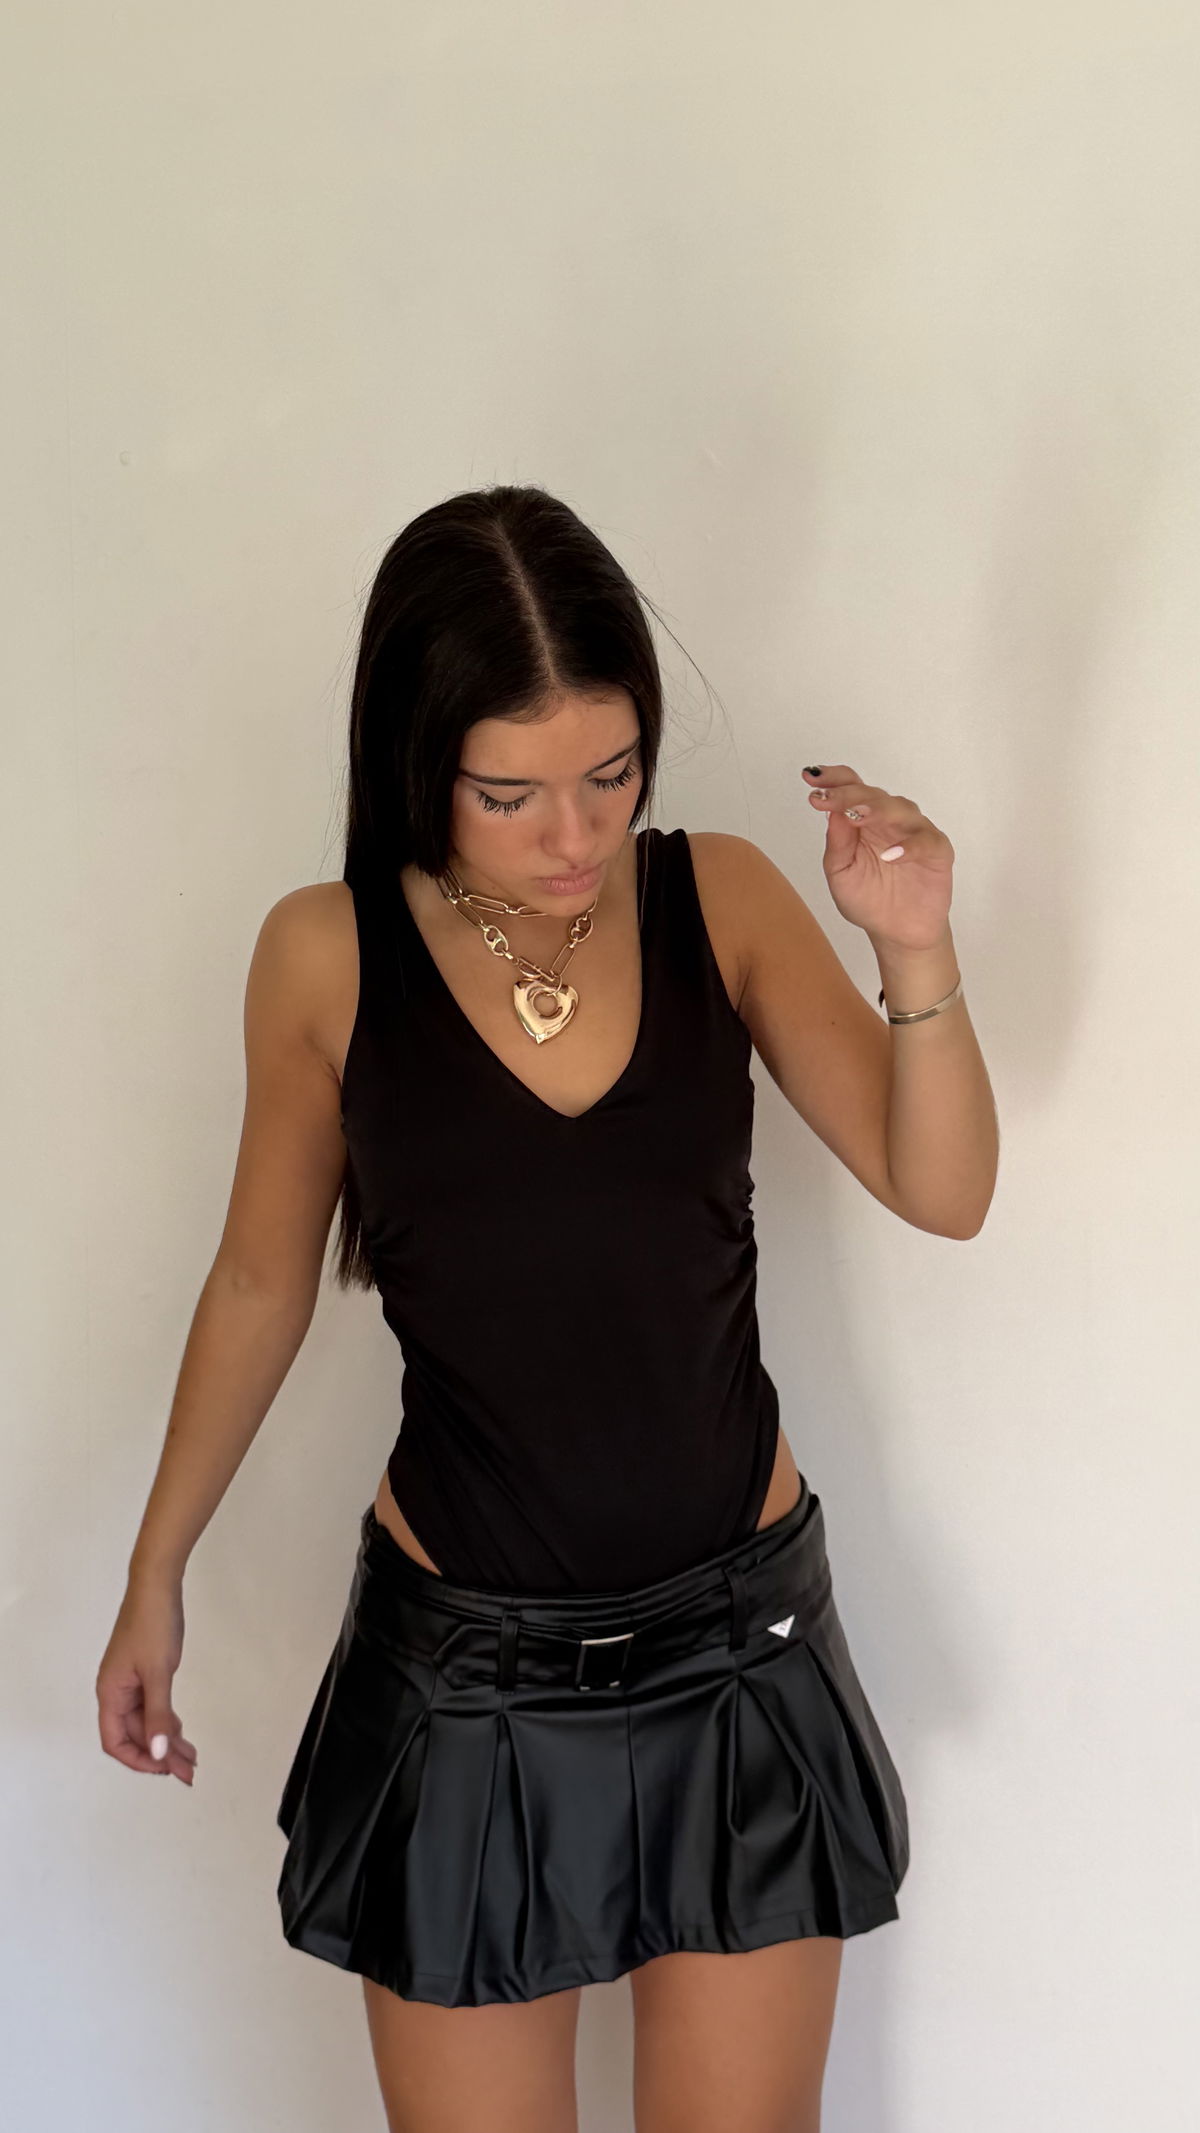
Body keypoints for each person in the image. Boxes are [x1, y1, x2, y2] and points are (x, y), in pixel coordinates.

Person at [96, 484, 997, 2132]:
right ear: (418, 761)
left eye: (612, 773)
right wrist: (157, 1567)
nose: (574, 836)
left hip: (740, 1657)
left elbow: (940, 1186)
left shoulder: (719, 897)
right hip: (463, 1683)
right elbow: (259, 1277)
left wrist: (917, 947)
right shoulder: (326, 956)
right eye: (509, 794)